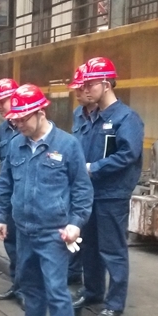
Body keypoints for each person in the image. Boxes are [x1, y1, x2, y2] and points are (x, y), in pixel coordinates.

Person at [0, 84, 93, 316]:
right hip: (24, 229)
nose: (18, 124)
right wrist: (1, 216)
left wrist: (75, 223)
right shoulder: (16, 144)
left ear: (40, 112)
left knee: (56, 290)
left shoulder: (67, 145)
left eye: (23, 119)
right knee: (29, 283)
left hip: (54, 232)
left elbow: (82, 189)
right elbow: (6, 183)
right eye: (15, 120)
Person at [71, 57, 144, 316]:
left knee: (112, 249)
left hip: (112, 194)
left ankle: (114, 303)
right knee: (89, 246)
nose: (85, 90)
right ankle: (92, 292)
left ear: (106, 84)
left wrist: (94, 168)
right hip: (88, 192)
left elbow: (128, 154)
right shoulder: (88, 116)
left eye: (90, 84)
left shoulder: (126, 118)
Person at [0, 78, 25, 307]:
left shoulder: (31, 125)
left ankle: (28, 289)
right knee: (11, 242)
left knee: (26, 246)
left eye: (4, 101)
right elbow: (5, 167)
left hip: (28, 196)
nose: (0, 106)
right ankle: (17, 284)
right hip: (10, 194)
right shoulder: (3, 130)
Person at [67, 65, 97, 286]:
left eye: (81, 89)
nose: (78, 94)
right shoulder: (78, 114)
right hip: (79, 180)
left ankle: (95, 288)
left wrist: (93, 168)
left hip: (100, 184)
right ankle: (73, 272)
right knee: (76, 228)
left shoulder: (111, 116)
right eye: (76, 89)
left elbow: (128, 155)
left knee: (97, 241)